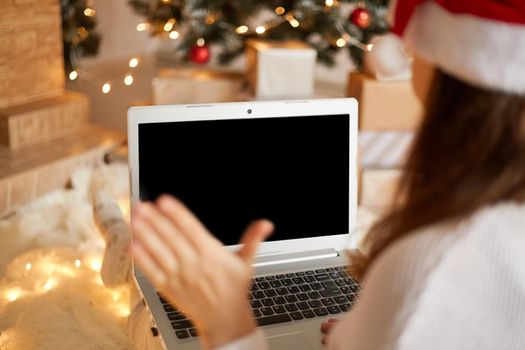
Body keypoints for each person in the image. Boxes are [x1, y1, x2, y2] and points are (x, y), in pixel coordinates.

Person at [130, 0, 525, 349]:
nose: (405, 48)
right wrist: (370, 325)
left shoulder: (426, 270)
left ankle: (116, 234)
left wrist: (228, 324)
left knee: (140, 325)